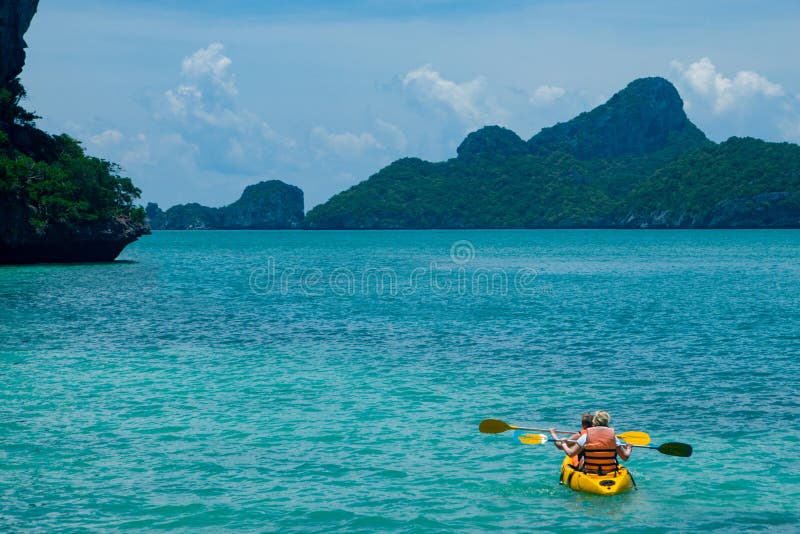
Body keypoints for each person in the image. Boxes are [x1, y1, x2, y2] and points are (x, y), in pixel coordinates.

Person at [550, 410, 632, 474]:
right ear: (607, 422)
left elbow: (570, 453)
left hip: (590, 471)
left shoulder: (586, 436)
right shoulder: (613, 437)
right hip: (609, 471)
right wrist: (629, 448)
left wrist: (564, 443)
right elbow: (625, 457)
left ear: (594, 422)